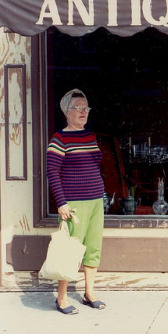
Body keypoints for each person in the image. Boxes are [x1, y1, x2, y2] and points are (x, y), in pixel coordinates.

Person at [46, 88, 106, 315]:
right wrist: (61, 202)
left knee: (93, 248)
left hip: (95, 200)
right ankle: (61, 298)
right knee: (69, 250)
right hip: (74, 203)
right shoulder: (59, 138)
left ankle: (89, 292)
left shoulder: (90, 136)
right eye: (78, 108)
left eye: (86, 108)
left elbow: (94, 164)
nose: (83, 112)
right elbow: (52, 171)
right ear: (66, 112)